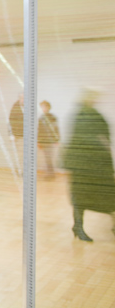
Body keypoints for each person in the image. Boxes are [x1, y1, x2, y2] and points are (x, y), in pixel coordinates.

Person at [63, 87, 115, 242]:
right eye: (93, 98)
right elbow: (81, 139)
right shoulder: (82, 115)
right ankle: (78, 227)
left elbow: (105, 134)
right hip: (84, 165)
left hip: (94, 165)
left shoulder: (92, 114)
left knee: (106, 194)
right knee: (81, 198)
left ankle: (81, 227)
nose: (95, 100)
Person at [37, 101, 60, 179]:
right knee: (47, 158)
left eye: (44, 106)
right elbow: (39, 130)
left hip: (50, 141)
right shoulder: (41, 118)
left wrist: (57, 140)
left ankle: (51, 174)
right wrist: (39, 141)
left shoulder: (53, 117)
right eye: (42, 107)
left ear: (48, 107)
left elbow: (56, 129)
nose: (43, 108)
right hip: (43, 141)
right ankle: (50, 174)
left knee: (49, 158)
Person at [9, 93, 24, 174]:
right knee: (20, 154)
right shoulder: (15, 108)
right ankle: (20, 171)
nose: (23, 100)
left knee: (23, 154)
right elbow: (10, 121)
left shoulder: (28, 107)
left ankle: (20, 170)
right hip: (18, 135)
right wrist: (11, 134)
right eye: (22, 98)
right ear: (19, 98)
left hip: (26, 135)